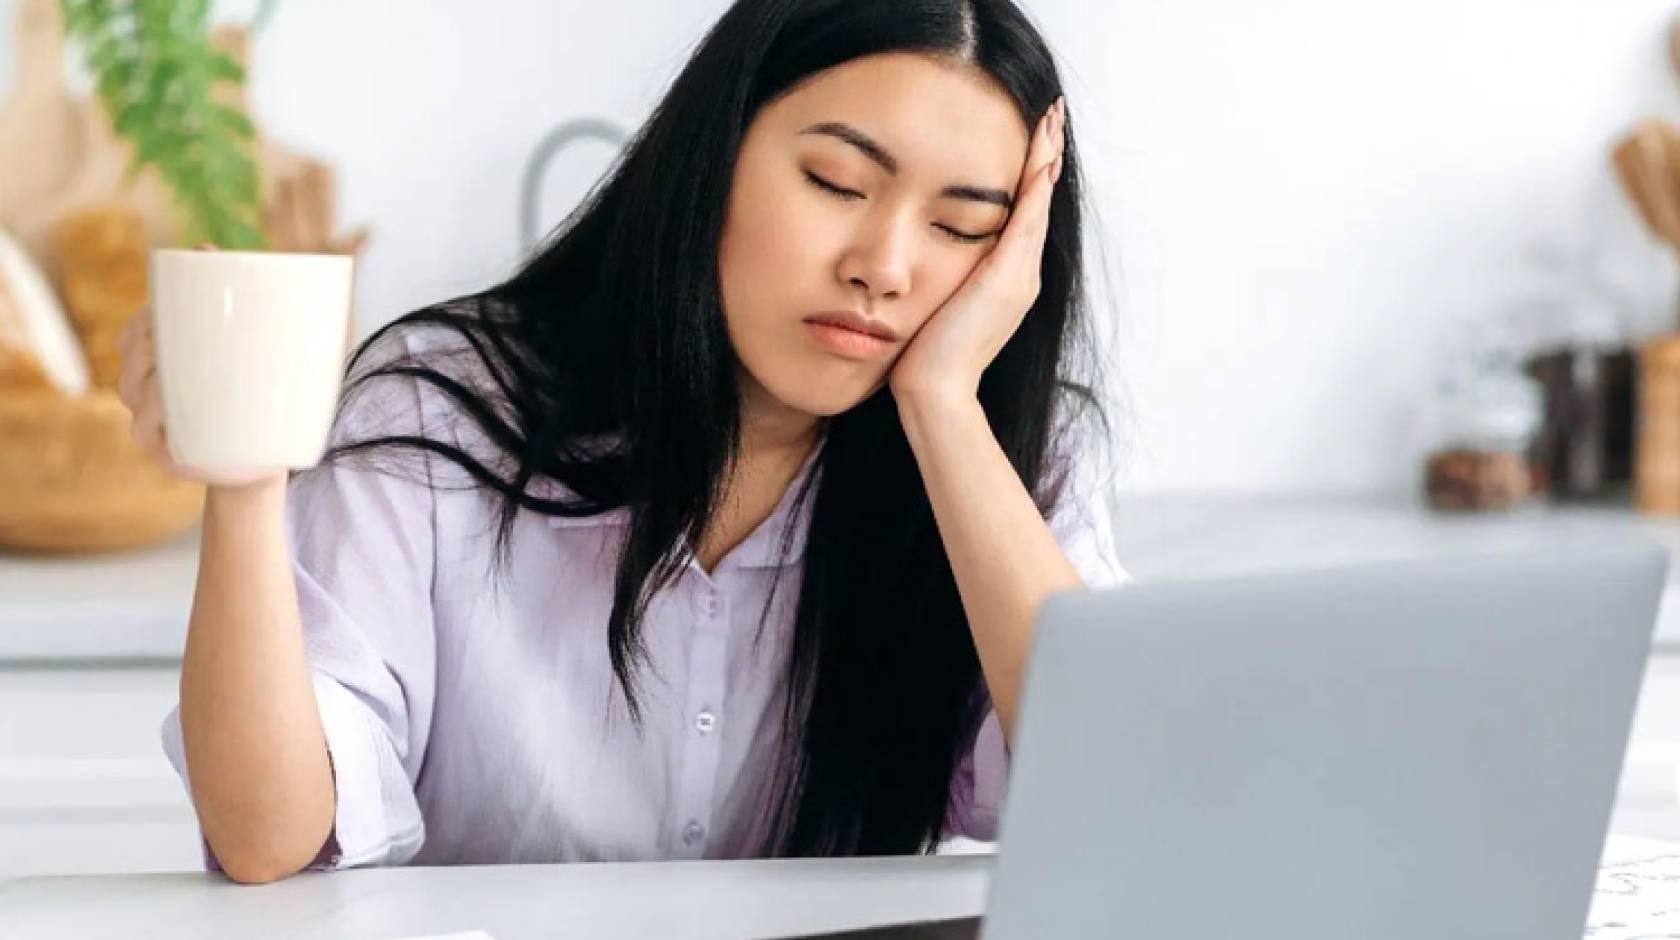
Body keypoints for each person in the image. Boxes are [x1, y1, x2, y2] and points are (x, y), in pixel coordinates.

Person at [115, 0, 1129, 885]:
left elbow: (1110, 796)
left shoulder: (1014, 463)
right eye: (835, 181)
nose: (887, 266)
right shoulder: (442, 412)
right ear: (713, 154)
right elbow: (268, 840)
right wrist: (244, 482)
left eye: (961, 228)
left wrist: (945, 406)